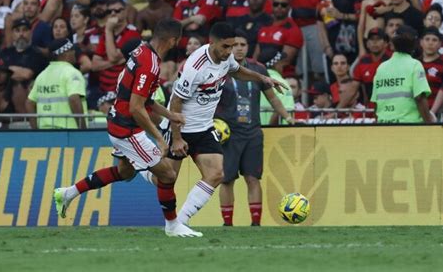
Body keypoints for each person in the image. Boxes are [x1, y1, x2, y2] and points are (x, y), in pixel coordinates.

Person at [53, 19, 203, 237]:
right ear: (172, 40)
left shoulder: (142, 52)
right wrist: (159, 140)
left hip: (117, 121)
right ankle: (172, 226)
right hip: (126, 129)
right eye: (176, 41)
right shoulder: (150, 64)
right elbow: (136, 108)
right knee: (168, 175)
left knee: (124, 172)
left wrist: (170, 115)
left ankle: (67, 193)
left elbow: (145, 100)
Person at [161, 22, 286, 226]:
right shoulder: (195, 66)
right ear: (212, 43)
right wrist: (176, 138)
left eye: (232, 46)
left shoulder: (225, 58)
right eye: (226, 47)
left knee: (216, 174)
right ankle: (144, 167)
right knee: (165, 178)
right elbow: (176, 100)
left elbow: (237, 71)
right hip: (181, 127)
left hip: (204, 127)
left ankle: (180, 222)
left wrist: (262, 78)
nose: (230, 51)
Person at [216, 30, 293, 226]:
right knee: (226, 180)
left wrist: (288, 117)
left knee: (253, 178)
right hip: (228, 134)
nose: (239, 48)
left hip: (253, 132)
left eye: (243, 44)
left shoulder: (258, 69)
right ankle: (227, 224)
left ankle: (256, 224)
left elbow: (273, 97)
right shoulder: (220, 70)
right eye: (235, 45)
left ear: (248, 47)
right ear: (229, 47)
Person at [371, 25, 434, 123]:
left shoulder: (381, 68)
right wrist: (429, 123)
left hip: (383, 125)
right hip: (409, 126)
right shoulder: (415, 65)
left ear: (393, 44)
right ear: (414, 45)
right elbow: (420, 98)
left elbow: (375, 103)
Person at [26, 38, 87, 129]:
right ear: (65, 54)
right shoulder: (72, 73)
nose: (74, 52)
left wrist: (35, 130)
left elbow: (29, 103)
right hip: (68, 134)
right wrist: (83, 130)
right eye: (71, 50)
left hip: (45, 134)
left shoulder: (41, 76)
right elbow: (74, 99)